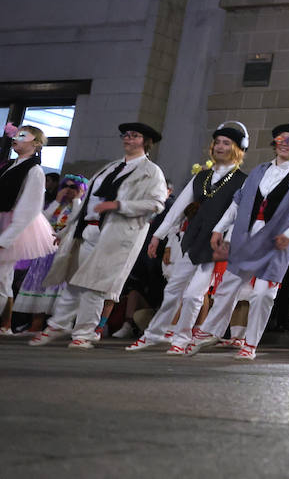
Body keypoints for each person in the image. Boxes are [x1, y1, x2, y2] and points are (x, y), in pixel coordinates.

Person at [187, 123, 289, 360]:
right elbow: (238, 202)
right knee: (228, 285)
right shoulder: (259, 170)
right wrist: (219, 229)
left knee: (262, 293)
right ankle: (210, 332)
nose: (284, 144)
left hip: (275, 242)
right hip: (246, 236)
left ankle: (250, 343)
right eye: (280, 139)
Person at [31, 122, 168, 349]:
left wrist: (119, 204)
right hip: (88, 231)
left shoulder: (151, 172)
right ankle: (58, 325)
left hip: (116, 235)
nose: (127, 139)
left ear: (145, 142)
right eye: (126, 135)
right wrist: (66, 232)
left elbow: (156, 204)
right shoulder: (111, 167)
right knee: (75, 282)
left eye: (134, 136)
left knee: (94, 286)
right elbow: (86, 203)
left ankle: (83, 333)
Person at [127, 122, 249, 353]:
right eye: (217, 142)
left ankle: (182, 339)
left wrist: (229, 241)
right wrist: (158, 236)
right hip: (192, 240)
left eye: (226, 143)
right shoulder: (202, 177)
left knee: (194, 295)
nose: (220, 147)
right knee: (173, 289)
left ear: (238, 149)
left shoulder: (243, 180)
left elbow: (241, 216)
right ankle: (153, 334)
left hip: (216, 243)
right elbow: (178, 208)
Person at [10, 175, 85, 330]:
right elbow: (41, 220)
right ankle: (35, 325)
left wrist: (77, 199)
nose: (69, 190)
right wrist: (57, 200)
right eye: (66, 186)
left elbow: (76, 222)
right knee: (40, 289)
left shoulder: (82, 207)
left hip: (65, 253)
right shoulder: (57, 205)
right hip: (46, 255)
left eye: (74, 187)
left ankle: (59, 327)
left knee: (60, 291)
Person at [0, 125, 57, 323]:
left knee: (2, 277)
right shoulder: (10, 165)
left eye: (22, 135)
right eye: (16, 134)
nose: (16, 137)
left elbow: (29, 208)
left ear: (36, 144)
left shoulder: (34, 170)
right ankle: (5, 325)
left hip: (12, 226)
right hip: (4, 221)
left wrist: (6, 238)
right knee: (4, 279)